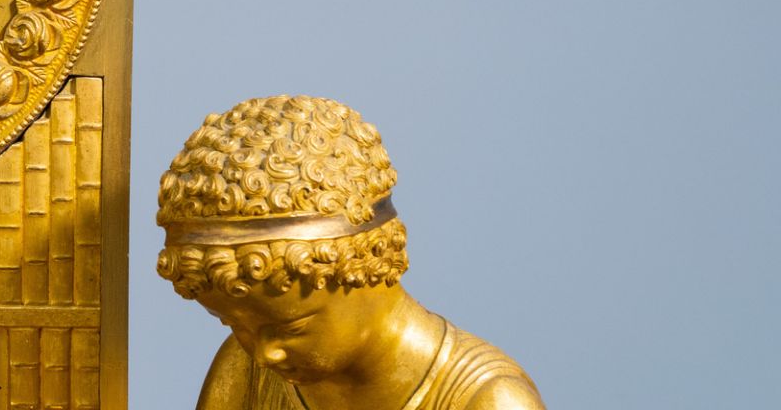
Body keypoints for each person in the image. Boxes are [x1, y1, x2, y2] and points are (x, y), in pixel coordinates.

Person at [157, 96, 543, 410]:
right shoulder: (245, 371)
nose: (265, 353)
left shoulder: (488, 401)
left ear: (364, 268)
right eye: (234, 325)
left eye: (292, 328)